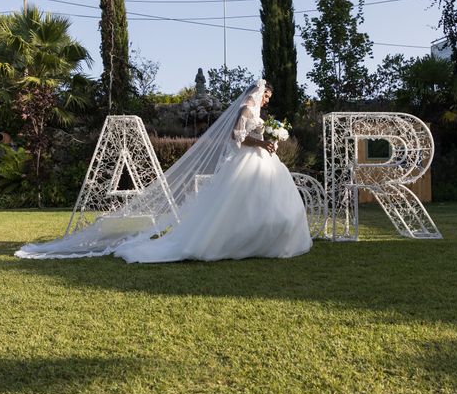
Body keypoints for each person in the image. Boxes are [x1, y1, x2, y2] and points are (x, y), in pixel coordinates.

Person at [16, 80, 312, 262]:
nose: (266, 101)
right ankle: (234, 241)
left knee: (264, 203)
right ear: (259, 92)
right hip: (246, 161)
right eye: (266, 96)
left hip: (260, 161)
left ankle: (261, 239)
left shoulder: (257, 112)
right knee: (237, 205)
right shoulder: (247, 108)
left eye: (268, 99)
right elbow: (234, 136)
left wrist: (269, 141)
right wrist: (261, 141)